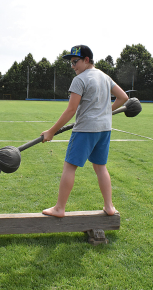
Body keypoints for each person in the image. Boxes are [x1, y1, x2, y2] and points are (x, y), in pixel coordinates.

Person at [40, 45, 128, 218]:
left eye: (75, 62)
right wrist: (106, 112)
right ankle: (109, 207)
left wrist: (51, 131)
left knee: (70, 166)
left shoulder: (80, 79)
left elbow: (71, 110)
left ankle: (59, 208)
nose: (73, 66)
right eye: (71, 63)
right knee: (100, 167)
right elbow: (123, 97)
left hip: (85, 129)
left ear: (87, 60)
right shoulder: (104, 77)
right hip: (104, 129)